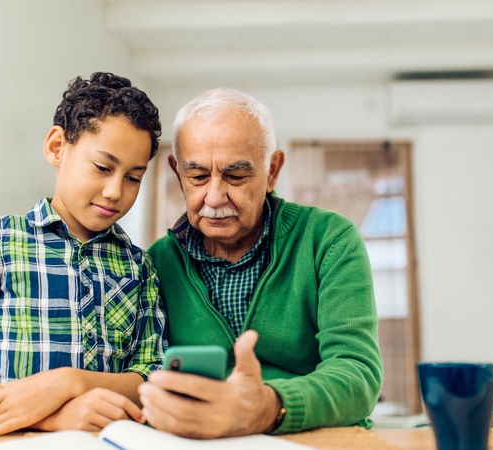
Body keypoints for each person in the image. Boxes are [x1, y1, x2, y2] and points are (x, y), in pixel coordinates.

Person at [0, 72, 166, 437]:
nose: (115, 191)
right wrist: (54, 419)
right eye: (102, 167)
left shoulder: (139, 267)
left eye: (133, 177)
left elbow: (151, 376)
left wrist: (73, 382)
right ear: (56, 147)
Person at [139, 88, 382, 438]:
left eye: (235, 176)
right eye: (198, 176)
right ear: (177, 172)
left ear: (273, 171)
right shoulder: (156, 263)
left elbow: (358, 374)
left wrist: (266, 407)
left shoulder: (329, 240)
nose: (214, 196)